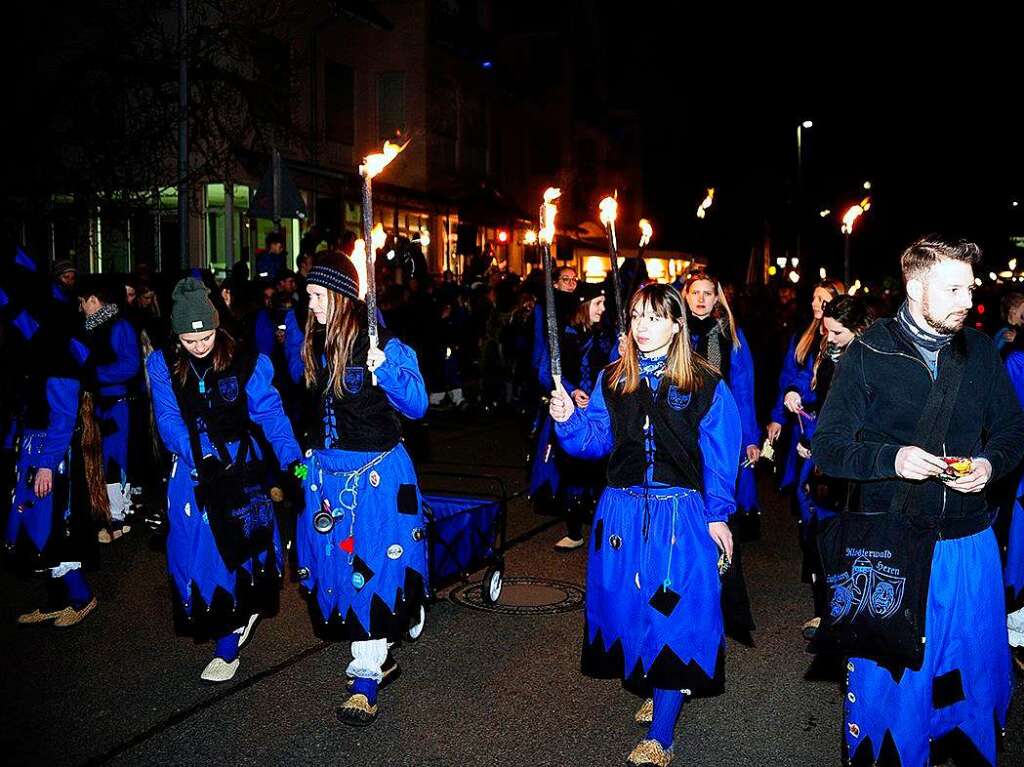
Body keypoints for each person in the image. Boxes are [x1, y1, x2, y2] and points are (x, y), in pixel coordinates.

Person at [812, 237, 1024, 767]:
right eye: (952, 288)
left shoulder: (979, 351)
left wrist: (990, 465)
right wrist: (891, 458)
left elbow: (1012, 430)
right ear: (914, 287)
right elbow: (829, 449)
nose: (966, 299)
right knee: (895, 691)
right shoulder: (869, 352)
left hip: (970, 545)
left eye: (969, 288)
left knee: (969, 676)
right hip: (894, 546)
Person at [549, 283, 740, 766]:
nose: (643, 326)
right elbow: (594, 442)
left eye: (655, 318)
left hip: (680, 516)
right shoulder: (613, 378)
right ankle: (657, 684)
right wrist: (569, 420)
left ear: (678, 325)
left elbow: (721, 456)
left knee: (673, 612)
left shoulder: (705, 382)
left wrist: (718, 517)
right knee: (633, 608)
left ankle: (662, 735)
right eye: (636, 317)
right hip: (621, 513)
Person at [294, 252, 429, 726]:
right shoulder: (312, 342)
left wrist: (385, 368)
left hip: (375, 479)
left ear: (339, 296)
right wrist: (301, 466)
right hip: (327, 478)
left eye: (315, 296)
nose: (308, 304)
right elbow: (307, 408)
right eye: (307, 295)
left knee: (368, 570)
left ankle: (365, 679)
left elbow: (417, 405)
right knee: (337, 567)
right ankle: (387, 636)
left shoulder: (383, 343)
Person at [147, 278, 302, 682]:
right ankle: (223, 618)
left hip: (238, 464)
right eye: (189, 338)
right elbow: (167, 418)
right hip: (192, 464)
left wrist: (292, 461)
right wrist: (198, 453)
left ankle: (228, 642)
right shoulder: (162, 362)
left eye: (207, 335)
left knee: (232, 547)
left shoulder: (246, 361)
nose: (199, 346)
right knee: (189, 547)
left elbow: (271, 413)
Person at [6, 315, 106, 629]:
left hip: (54, 461)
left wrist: (47, 465)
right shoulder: (41, 357)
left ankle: (80, 597)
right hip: (35, 455)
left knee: (53, 528)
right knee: (36, 527)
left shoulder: (60, 364)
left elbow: (62, 421)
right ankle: (56, 600)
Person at [789, 295, 875, 639]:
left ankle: (851, 615)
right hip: (829, 457)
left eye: (837, 332)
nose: (831, 338)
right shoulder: (831, 354)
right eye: (827, 332)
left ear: (859, 329)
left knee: (852, 540)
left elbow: (859, 416)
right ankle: (829, 612)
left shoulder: (870, 361)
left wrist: (821, 443)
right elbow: (826, 405)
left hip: (855, 461)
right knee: (824, 535)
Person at [550, 281, 613, 550]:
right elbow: (548, 370)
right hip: (573, 413)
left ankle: (603, 532)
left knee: (603, 475)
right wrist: (572, 391)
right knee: (573, 473)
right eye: (598, 303)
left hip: (601, 411)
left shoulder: (607, 334)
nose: (603, 308)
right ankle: (574, 532)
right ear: (584, 306)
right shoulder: (566, 334)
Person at [78, 277, 142, 542]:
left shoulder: (119, 326)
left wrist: (93, 374)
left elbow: (130, 366)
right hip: (97, 405)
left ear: (94, 299)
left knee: (114, 459)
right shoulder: (92, 328)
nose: (81, 308)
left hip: (115, 405)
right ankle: (103, 512)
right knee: (99, 460)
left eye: (82, 302)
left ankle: (118, 513)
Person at [765, 279, 845, 491]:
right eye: (813, 298)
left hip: (829, 422)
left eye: (822, 299)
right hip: (802, 421)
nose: (814, 303)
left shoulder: (842, 340)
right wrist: (778, 417)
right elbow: (790, 376)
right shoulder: (804, 334)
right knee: (803, 489)